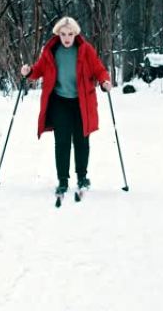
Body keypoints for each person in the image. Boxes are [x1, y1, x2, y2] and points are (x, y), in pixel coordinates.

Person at [21, 16, 112, 196]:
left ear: (75, 33)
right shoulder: (51, 51)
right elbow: (38, 70)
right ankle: (63, 180)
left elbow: (99, 69)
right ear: (58, 34)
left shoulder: (86, 50)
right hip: (60, 102)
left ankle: (82, 178)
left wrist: (105, 81)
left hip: (81, 102)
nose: (67, 38)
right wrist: (29, 71)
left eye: (70, 34)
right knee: (61, 142)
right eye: (63, 34)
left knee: (81, 141)